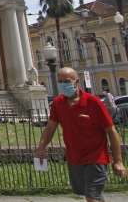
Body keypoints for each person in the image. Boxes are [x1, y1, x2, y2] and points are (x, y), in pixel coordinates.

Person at [34, 68, 126, 202]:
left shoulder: (93, 102)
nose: (63, 84)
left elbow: (112, 131)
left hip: (96, 158)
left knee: (92, 198)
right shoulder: (58, 103)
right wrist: (41, 149)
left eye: (67, 81)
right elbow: (50, 128)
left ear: (76, 82)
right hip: (74, 159)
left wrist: (118, 161)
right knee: (95, 196)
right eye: (60, 81)